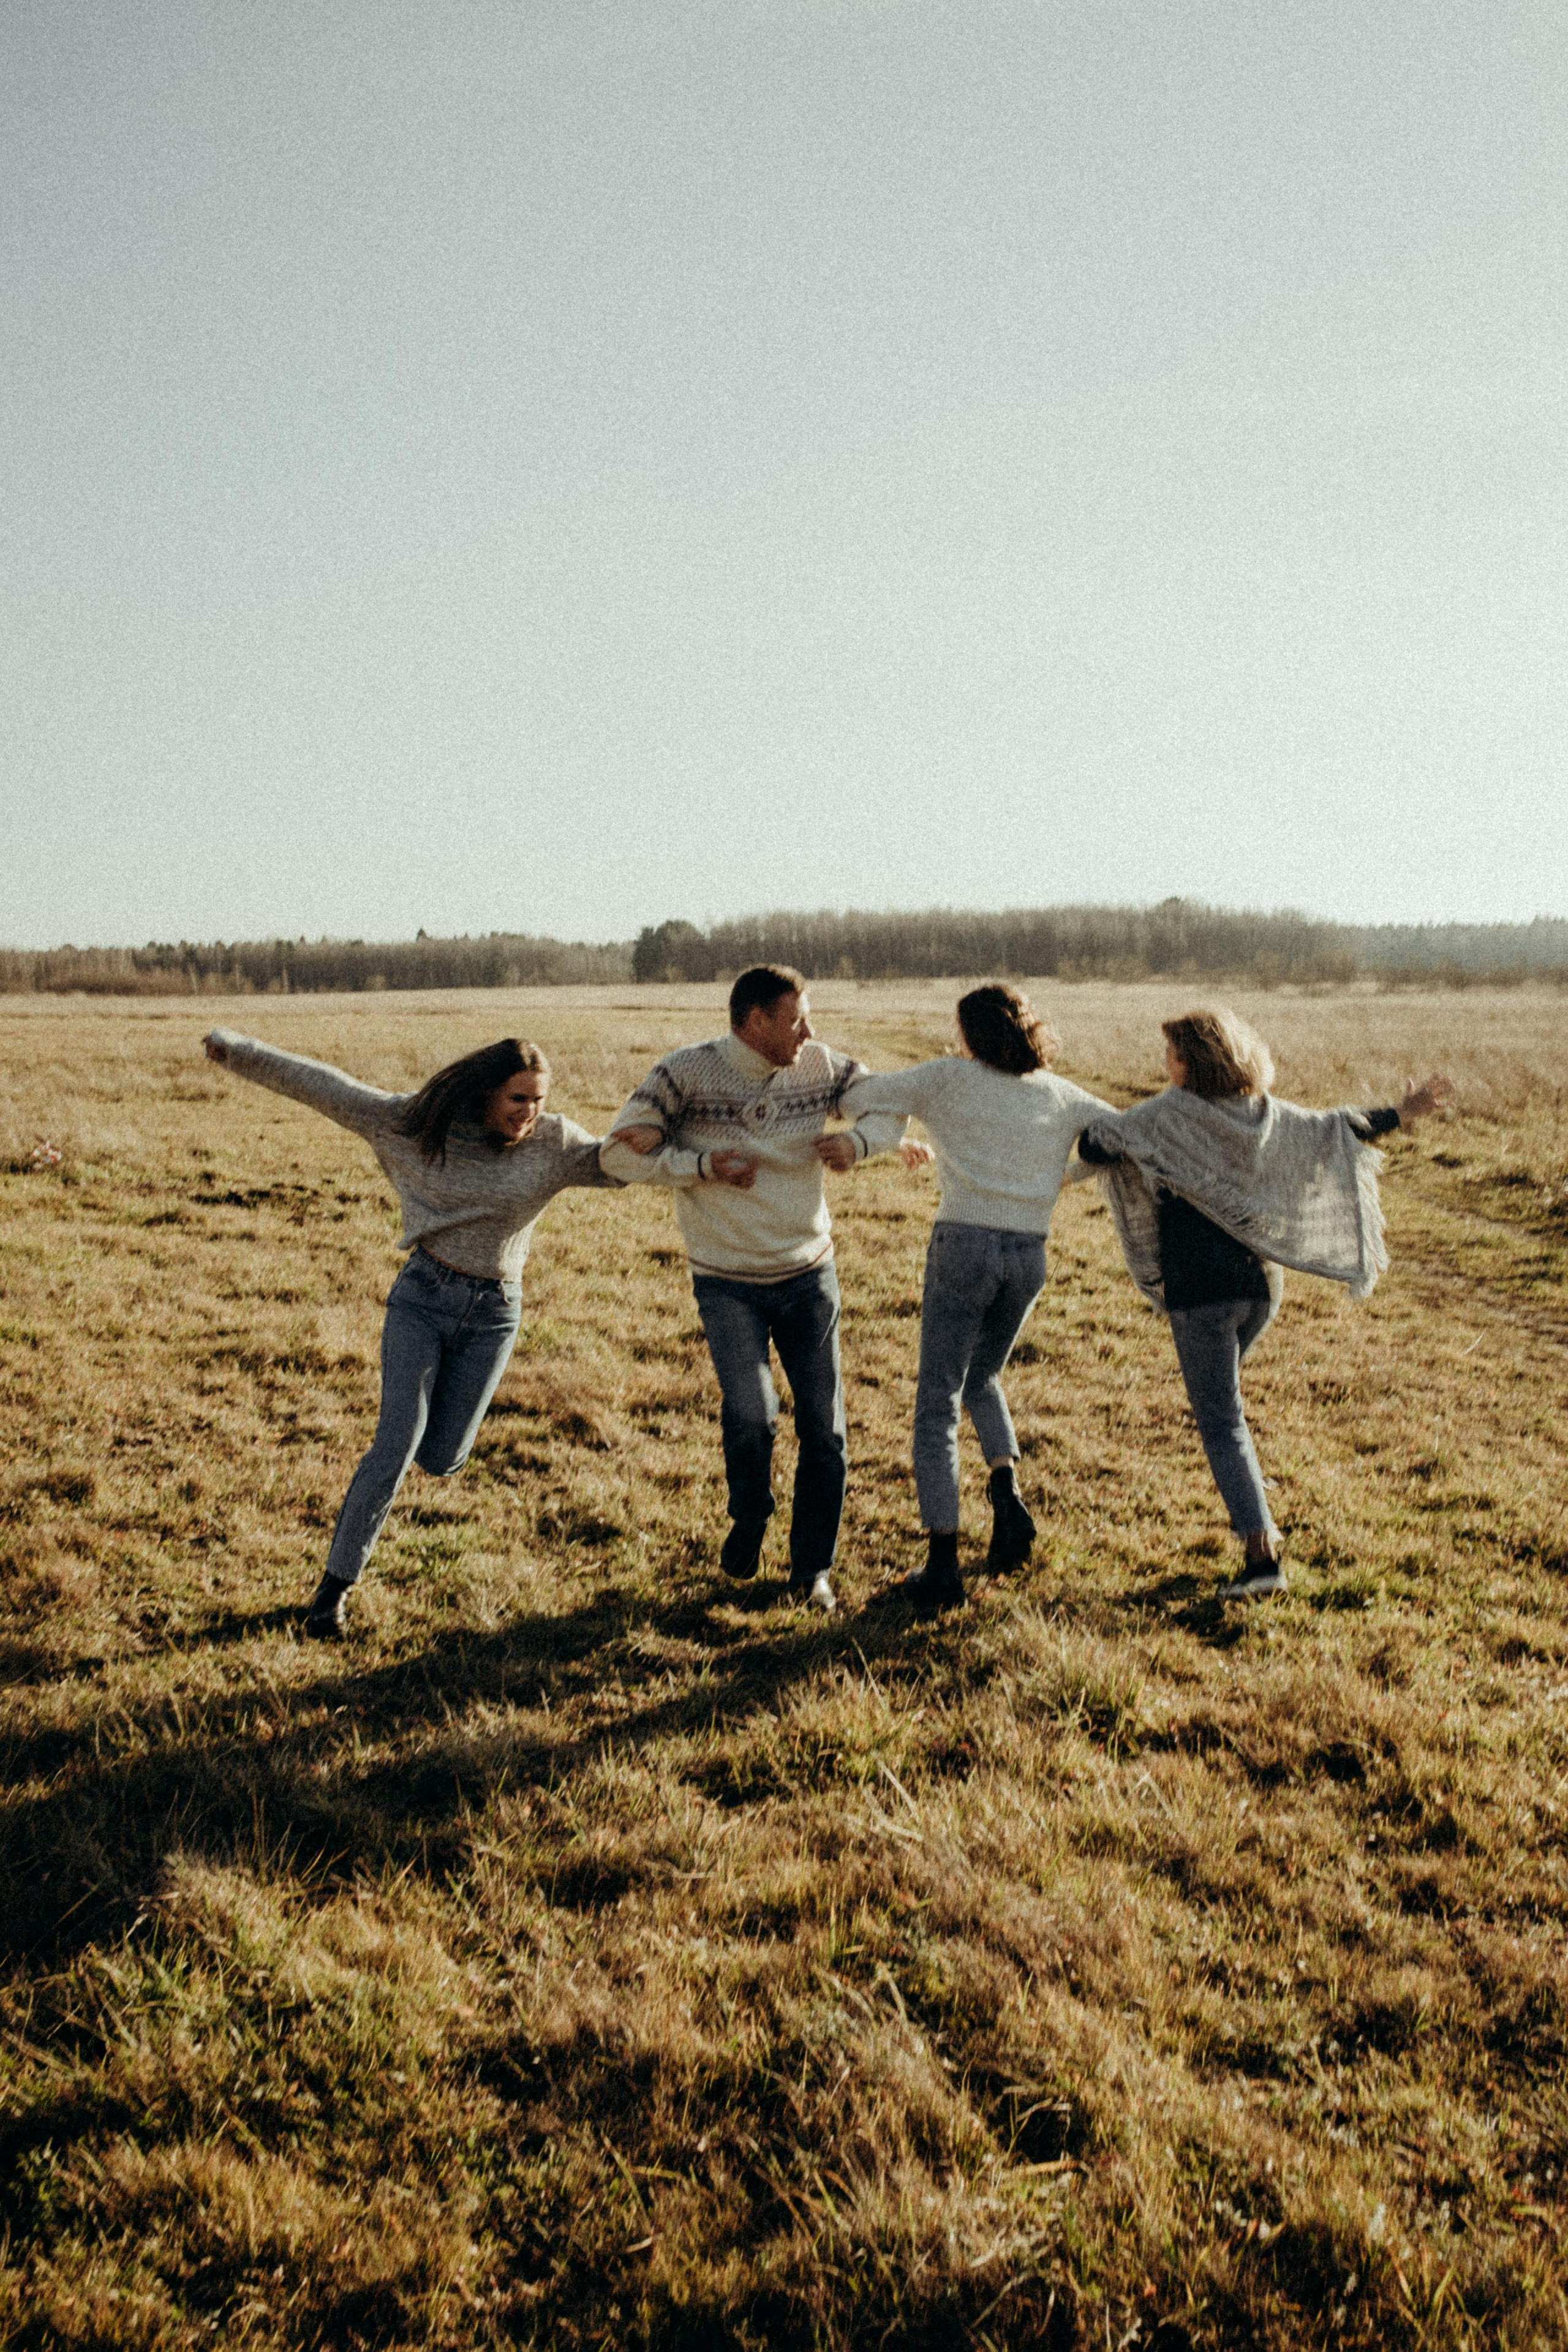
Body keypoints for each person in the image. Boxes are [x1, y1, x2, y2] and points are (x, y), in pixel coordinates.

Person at [202, 1027, 615, 1637]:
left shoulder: (554, 1143)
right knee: (394, 1444)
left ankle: (429, 1455)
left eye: (539, 1101)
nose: (531, 1114)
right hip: (423, 1297)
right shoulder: (411, 1124)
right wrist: (236, 1050)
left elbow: (625, 1163)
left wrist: (707, 1154)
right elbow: (324, 1087)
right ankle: (331, 1597)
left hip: (495, 1313)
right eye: (518, 1101)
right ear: (483, 1096)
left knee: (442, 1457)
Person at [1076, 1007, 1453, 1600]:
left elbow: (1096, 1144)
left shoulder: (1166, 1114)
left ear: (1188, 1062)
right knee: (1224, 1410)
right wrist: (1402, 1114)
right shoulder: (1265, 1116)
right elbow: (1335, 1128)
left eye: (1170, 1053)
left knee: (1221, 1421)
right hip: (1260, 1289)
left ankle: (1262, 1559)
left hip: (1201, 1293)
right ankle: (1253, 1514)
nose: (1163, 1063)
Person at [601, 965, 907, 1614]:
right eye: (796, 1018)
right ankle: (750, 1514)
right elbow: (619, 1154)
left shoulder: (821, 1065)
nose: (809, 1030)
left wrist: (859, 1141)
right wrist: (701, 1165)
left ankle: (812, 1570)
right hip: (725, 1281)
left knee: (824, 1429)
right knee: (751, 1414)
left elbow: (889, 1106)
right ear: (754, 1020)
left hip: (807, 1272)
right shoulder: (684, 1072)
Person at [839, 984, 1112, 1614]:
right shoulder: (1060, 1092)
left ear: (968, 1034)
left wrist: (843, 1082)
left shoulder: (946, 1080)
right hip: (1027, 1253)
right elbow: (1123, 1136)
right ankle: (1006, 1496)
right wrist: (1061, 1177)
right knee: (982, 1374)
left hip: (963, 1246)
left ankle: (942, 1567)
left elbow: (860, 1095)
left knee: (937, 1400)